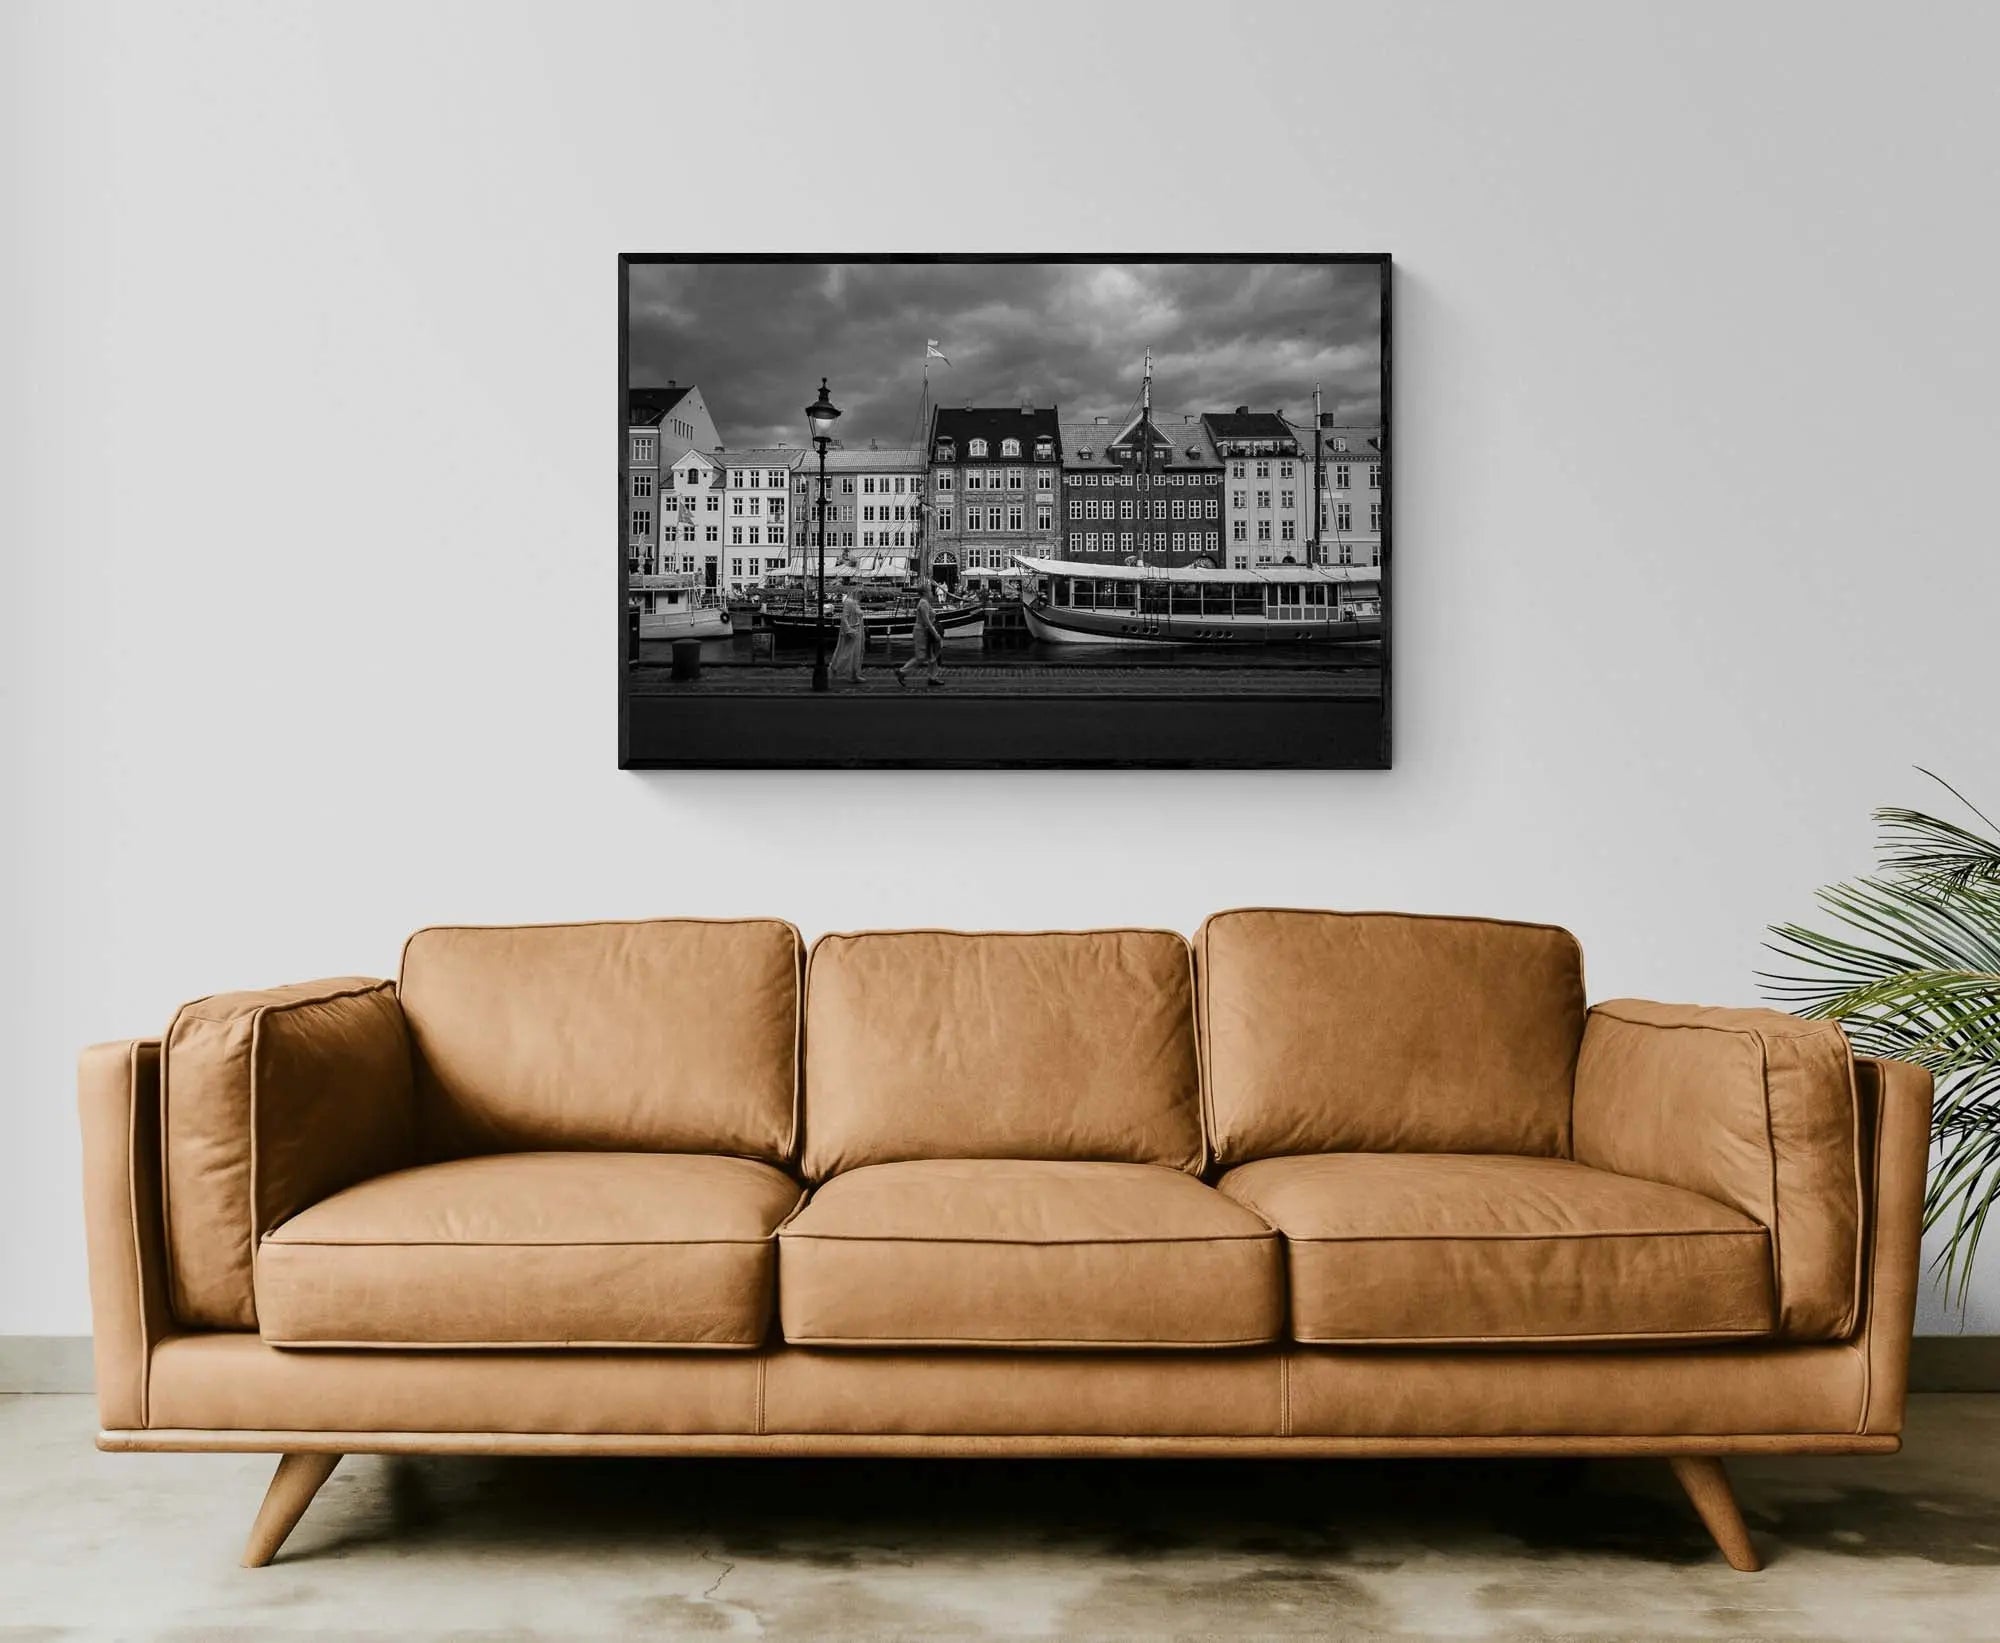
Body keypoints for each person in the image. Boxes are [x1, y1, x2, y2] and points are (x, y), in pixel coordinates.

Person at [896, 588, 944, 689]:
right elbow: (927, 621)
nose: (932, 593)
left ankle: (933, 677)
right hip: (921, 632)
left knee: (932, 654)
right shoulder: (923, 603)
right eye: (930, 591)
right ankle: (902, 671)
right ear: (925, 593)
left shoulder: (925, 602)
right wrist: (935, 634)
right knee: (921, 656)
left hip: (925, 631)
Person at [829, 592, 866, 688]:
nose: (862, 594)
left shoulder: (855, 602)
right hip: (852, 631)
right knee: (846, 653)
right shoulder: (849, 602)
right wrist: (848, 630)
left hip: (858, 630)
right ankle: (835, 668)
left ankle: (854, 674)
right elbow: (844, 617)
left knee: (856, 653)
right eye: (861, 592)